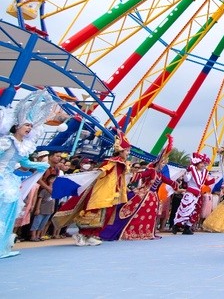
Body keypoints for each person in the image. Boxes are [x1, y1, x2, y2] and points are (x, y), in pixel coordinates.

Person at [0, 92, 57, 258]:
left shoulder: (23, 146)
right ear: (17, 125)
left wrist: (41, 165)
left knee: (8, 210)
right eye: (27, 125)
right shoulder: (5, 141)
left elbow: (25, 163)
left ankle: (2, 246)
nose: (29, 128)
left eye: (31, 126)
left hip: (9, 179)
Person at [53, 130, 131, 247]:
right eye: (127, 151)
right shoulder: (112, 162)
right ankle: (82, 234)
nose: (128, 153)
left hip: (113, 193)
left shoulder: (123, 164)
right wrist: (100, 171)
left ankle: (92, 235)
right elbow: (104, 170)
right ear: (120, 150)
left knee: (107, 214)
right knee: (95, 213)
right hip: (103, 192)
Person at [100, 136, 177, 241]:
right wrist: (131, 176)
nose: (164, 165)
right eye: (163, 163)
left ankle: (145, 232)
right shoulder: (151, 171)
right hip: (144, 195)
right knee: (133, 213)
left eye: (165, 163)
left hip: (153, 197)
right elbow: (141, 175)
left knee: (149, 216)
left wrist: (175, 184)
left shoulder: (160, 175)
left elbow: (169, 181)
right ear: (158, 162)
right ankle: (129, 232)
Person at [172, 152, 215, 235]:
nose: (203, 165)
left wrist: (213, 180)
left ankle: (187, 227)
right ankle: (176, 226)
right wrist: (186, 173)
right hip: (190, 193)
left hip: (198, 195)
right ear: (197, 163)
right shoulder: (192, 171)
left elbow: (206, 182)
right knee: (185, 210)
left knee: (195, 211)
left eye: (204, 164)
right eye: (202, 163)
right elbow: (186, 180)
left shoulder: (203, 173)